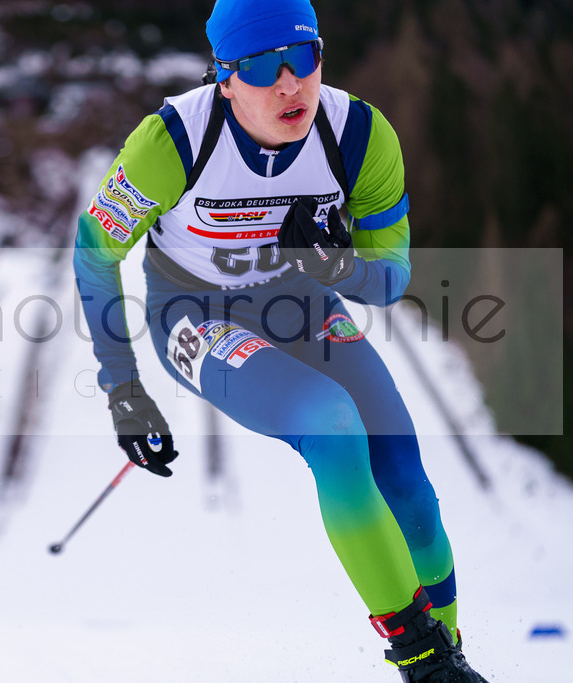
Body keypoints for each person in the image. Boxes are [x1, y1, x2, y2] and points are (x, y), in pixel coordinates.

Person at [72, 1, 488, 680]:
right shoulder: (173, 141)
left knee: (408, 488)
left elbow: (390, 281)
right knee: (332, 423)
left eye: (305, 57)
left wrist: (338, 269)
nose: (291, 83)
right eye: (265, 67)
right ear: (225, 77)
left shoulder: (359, 134)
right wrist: (123, 388)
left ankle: (448, 655)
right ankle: (419, 654)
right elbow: (95, 253)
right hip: (195, 314)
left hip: (303, 304)